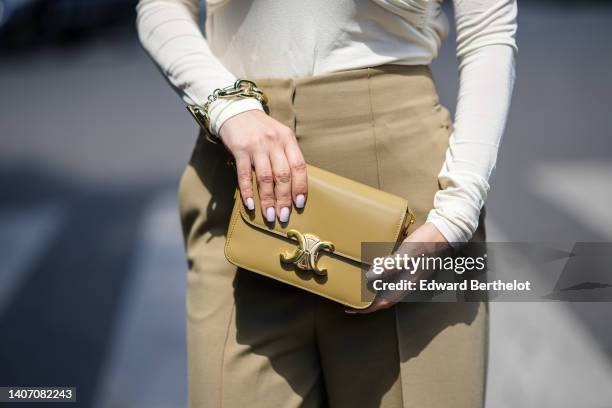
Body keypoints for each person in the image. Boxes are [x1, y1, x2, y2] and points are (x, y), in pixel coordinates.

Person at [136, 0, 517, 407]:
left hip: (404, 209)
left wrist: (454, 219)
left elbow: (488, 31)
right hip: (243, 184)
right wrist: (225, 104)